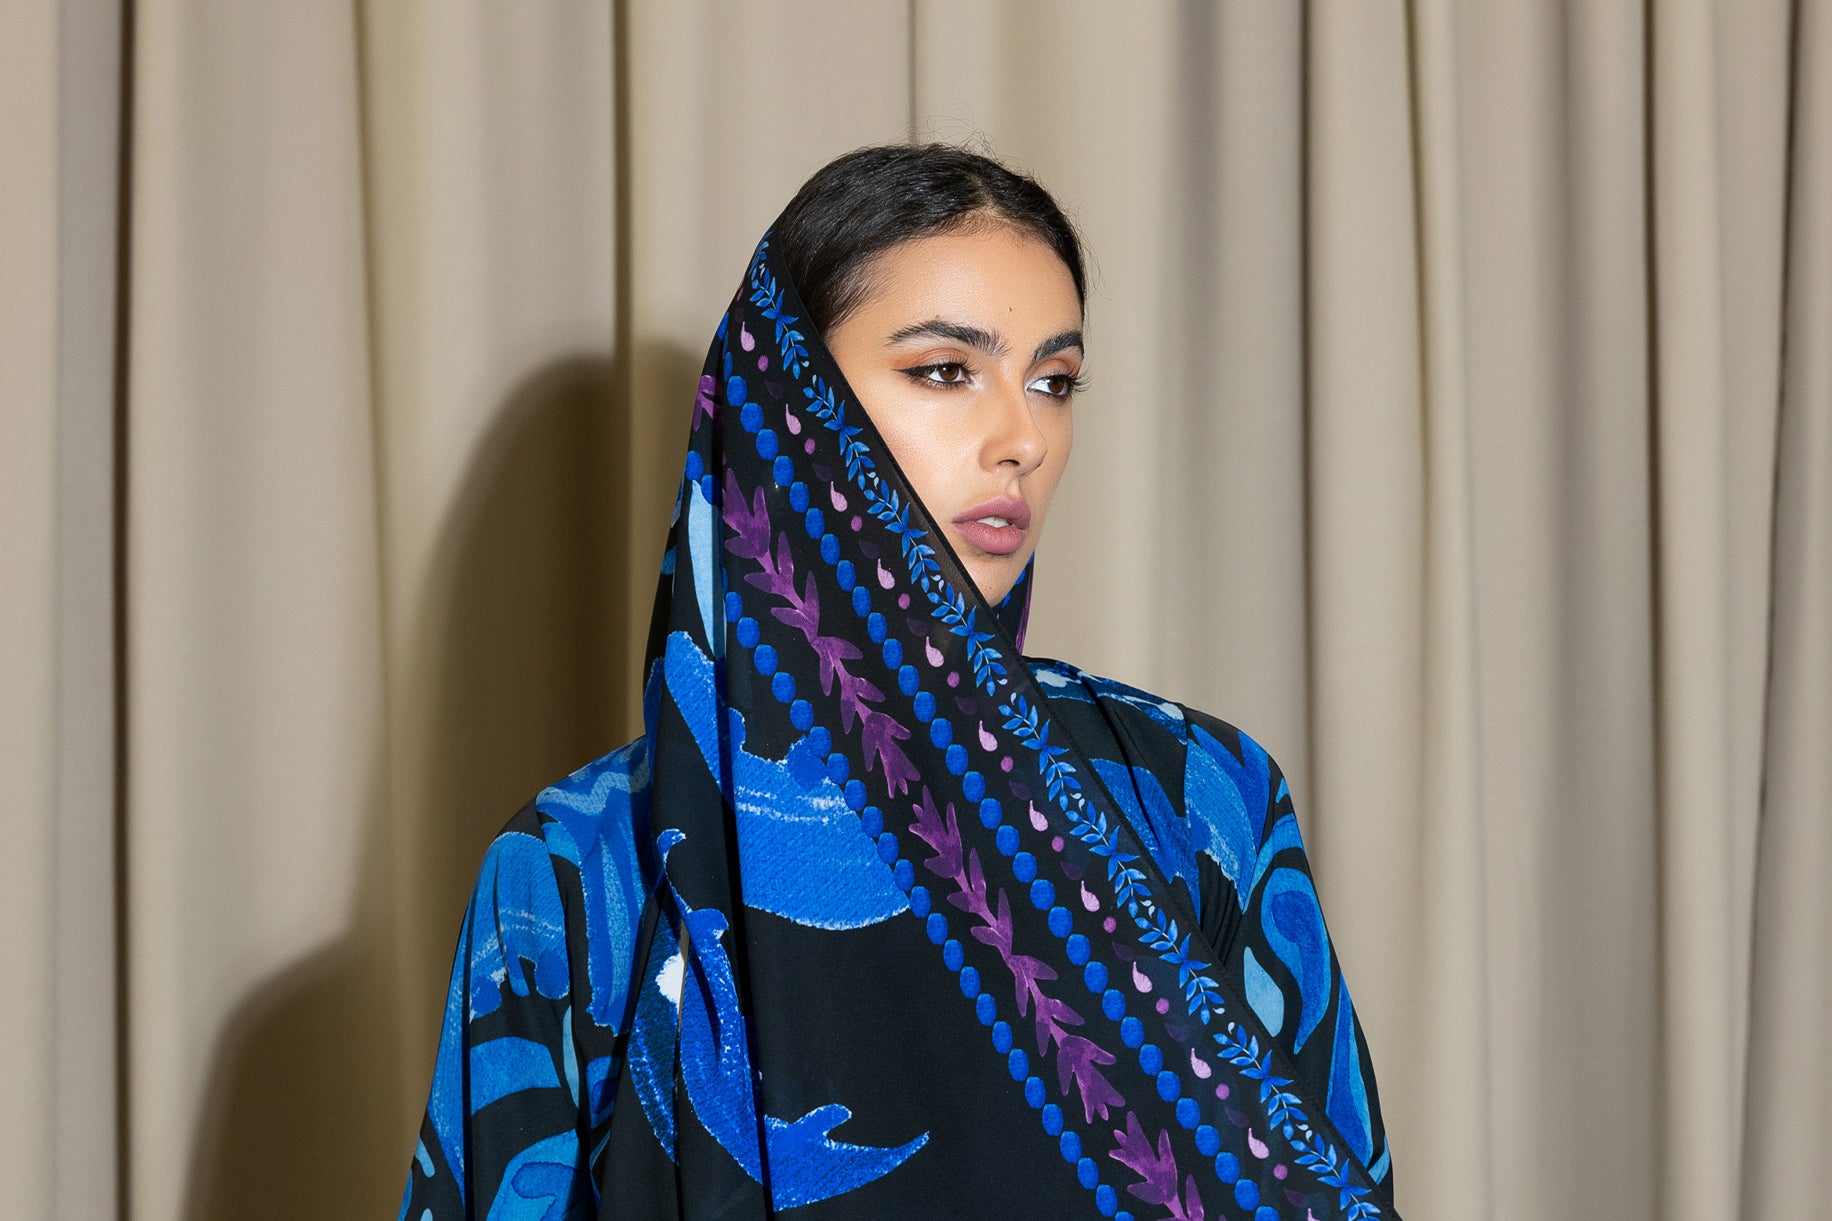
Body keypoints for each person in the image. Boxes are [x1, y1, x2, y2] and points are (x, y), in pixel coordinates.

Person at [398, 144, 1397, 1220]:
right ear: (788, 399)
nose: (1022, 439)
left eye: (1053, 382)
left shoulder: (1196, 801)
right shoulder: (576, 868)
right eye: (945, 371)